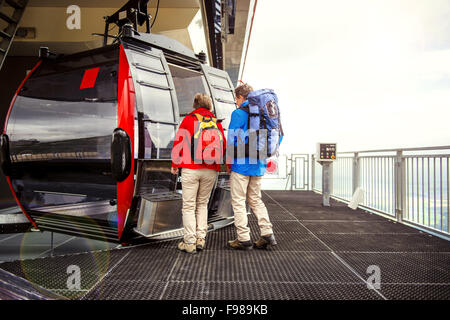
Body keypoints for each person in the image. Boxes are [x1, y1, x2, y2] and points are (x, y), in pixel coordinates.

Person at [171, 93, 226, 254]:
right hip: (211, 169)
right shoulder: (216, 122)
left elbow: (179, 142)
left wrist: (175, 164)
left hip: (190, 168)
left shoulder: (189, 120)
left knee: (188, 206)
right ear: (209, 106)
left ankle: (189, 242)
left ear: (195, 106)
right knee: (202, 204)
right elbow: (222, 146)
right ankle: (201, 239)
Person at [226, 83, 278, 250]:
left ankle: (243, 238)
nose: (236, 101)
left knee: (239, 201)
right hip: (258, 165)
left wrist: (229, 161)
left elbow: (232, 140)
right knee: (256, 200)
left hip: (241, 166)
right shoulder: (264, 114)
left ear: (241, 97)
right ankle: (267, 233)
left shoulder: (238, 113)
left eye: (237, 98)